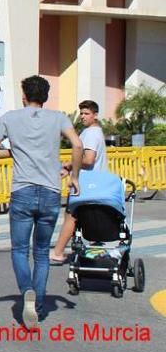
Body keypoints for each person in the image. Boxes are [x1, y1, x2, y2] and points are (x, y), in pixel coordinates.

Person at [0, 75, 82, 327]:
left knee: (19, 250)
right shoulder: (59, 117)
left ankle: (26, 289)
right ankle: (37, 305)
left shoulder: (9, 118)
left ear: (24, 95)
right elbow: (78, 145)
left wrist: (14, 150)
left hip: (23, 191)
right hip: (50, 192)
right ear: (45, 97)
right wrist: (75, 177)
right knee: (41, 252)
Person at [49, 99, 108, 264]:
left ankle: (58, 252)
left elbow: (89, 160)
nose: (82, 116)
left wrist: (70, 164)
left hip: (85, 184)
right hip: (95, 183)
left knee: (71, 216)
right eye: (81, 113)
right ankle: (92, 248)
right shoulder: (96, 132)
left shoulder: (90, 134)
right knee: (85, 216)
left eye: (86, 113)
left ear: (95, 115)